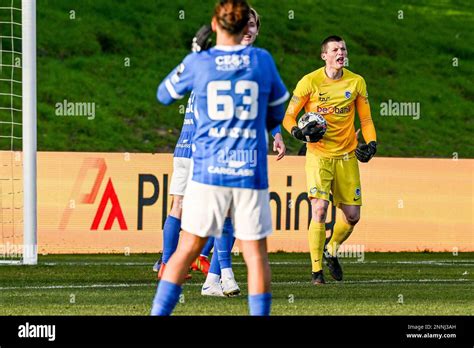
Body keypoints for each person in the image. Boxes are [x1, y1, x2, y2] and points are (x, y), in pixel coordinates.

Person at [151, 0, 289, 315]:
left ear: (214, 26)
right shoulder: (262, 61)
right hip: (249, 173)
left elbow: (163, 94)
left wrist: (194, 57)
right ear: (246, 28)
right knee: (256, 256)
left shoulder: (200, 62)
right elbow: (276, 111)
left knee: (186, 249)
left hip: (208, 172)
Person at [201, 7, 287, 298]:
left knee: (235, 218)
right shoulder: (217, 60)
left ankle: (212, 279)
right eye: (243, 24)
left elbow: (271, 107)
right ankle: (223, 274)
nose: (248, 29)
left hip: (247, 152)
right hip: (217, 148)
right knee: (223, 217)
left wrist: (276, 135)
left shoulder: (260, 63)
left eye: (253, 25)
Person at [282, 35, 377, 285]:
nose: (340, 52)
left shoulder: (356, 82)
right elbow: (289, 116)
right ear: (324, 55)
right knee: (320, 209)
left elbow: (365, 120)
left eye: (343, 49)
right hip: (318, 155)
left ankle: (331, 249)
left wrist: (372, 144)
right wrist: (296, 132)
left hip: (346, 156)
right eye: (335, 49)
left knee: (353, 216)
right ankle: (316, 273)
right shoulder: (309, 82)